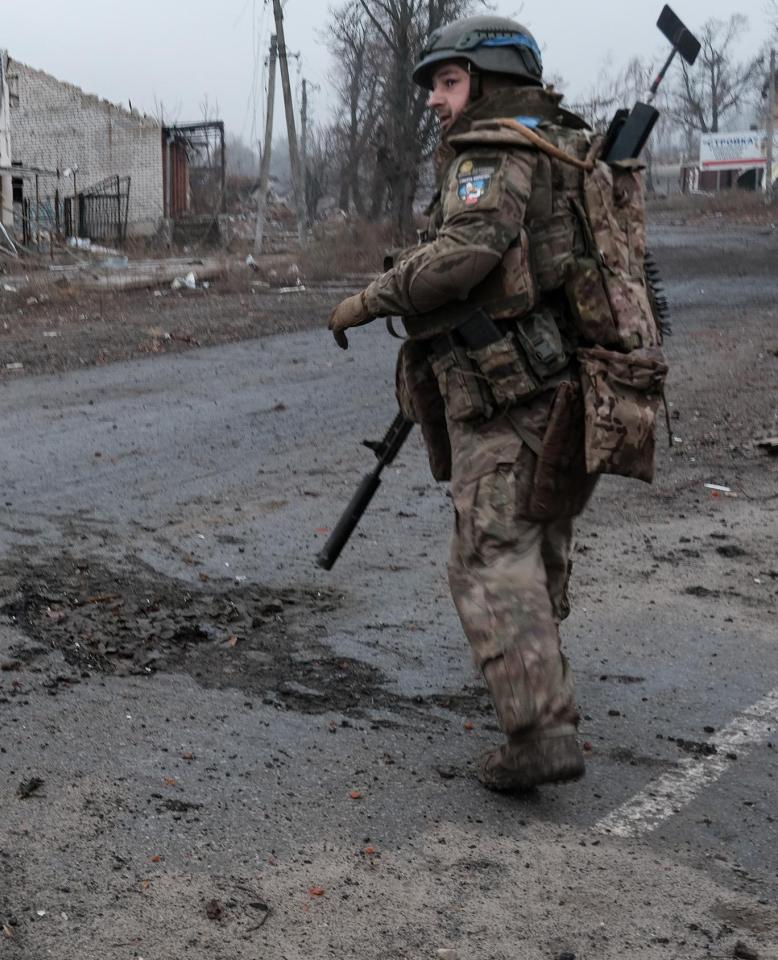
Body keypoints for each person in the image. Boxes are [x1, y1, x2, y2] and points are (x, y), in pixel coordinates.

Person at [327, 16, 603, 791]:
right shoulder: (557, 143)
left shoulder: (494, 149)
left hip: (511, 390)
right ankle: (542, 690)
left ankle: (540, 730)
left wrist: (369, 299)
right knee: (534, 535)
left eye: (448, 83)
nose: (436, 102)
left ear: (487, 79)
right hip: (561, 383)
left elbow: (466, 254)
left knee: (487, 555)